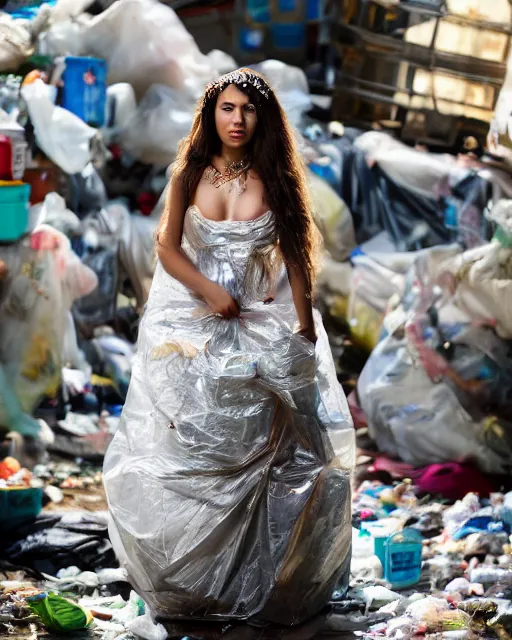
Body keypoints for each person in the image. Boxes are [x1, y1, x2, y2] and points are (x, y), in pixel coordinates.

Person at [103, 69, 355, 626]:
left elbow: (296, 259)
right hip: (195, 318)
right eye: (227, 108)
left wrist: (305, 331)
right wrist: (209, 290)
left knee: (279, 448)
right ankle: (194, 584)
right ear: (211, 114)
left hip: (260, 319)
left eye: (248, 110)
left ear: (261, 118)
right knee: (190, 447)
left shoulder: (277, 177)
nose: (237, 120)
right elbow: (167, 249)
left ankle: (260, 582)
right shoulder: (189, 173)